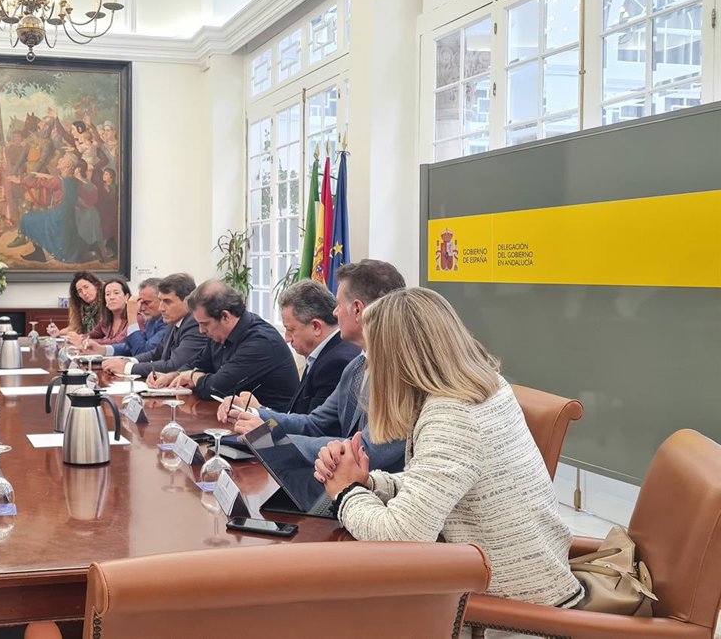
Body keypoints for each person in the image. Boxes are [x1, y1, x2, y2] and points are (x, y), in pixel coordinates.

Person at [314, 287, 584, 608]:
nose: (369, 367)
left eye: (373, 355)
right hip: (532, 577)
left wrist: (345, 492)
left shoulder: (452, 416)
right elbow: (436, 486)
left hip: (512, 606)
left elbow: (402, 537)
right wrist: (369, 483)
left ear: (397, 361)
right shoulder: (483, 387)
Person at [218, 259, 406, 469]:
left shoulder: (401, 373)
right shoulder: (356, 366)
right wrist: (255, 415)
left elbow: (368, 452)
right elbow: (316, 423)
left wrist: (272, 438)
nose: (334, 313)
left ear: (357, 310)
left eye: (339, 305)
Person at [157, 280, 299, 410]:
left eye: (204, 324)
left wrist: (193, 376)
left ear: (225, 316)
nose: (201, 330)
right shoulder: (219, 333)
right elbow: (199, 363)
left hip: (270, 423)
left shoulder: (260, 341)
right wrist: (175, 375)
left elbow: (216, 389)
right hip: (234, 415)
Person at [267, 280, 358, 413]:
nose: (287, 338)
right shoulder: (321, 354)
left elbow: (313, 423)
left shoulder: (335, 364)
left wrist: (260, 413)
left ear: (316, 327)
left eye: (290, 330)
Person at [102, 273, 209, 379]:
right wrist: (129, 361)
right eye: (160, 300)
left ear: (187, 302)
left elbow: (174, 366)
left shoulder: (195, 324)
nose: (161, 308)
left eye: (167, 302)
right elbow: (156, 353)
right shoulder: (172, 321)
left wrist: (127, 368)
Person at [84, 277, 167, 357]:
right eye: (108, 294)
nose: (142, 308)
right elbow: (132, 346)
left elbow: (142, 351)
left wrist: (131, 315)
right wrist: (104, 350)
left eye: (147, 303)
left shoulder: (166, 323)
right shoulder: (152, 320)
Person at [49, 271, 104, 336]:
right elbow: (74, 328)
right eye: (80, 291)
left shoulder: (107, 304)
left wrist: (83, 338)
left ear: (96, 285)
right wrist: (58, 333)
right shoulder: (82, 308)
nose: (84, 293)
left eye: (86, 287)